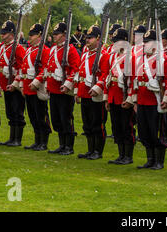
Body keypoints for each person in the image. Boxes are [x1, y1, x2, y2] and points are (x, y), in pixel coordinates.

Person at [131, 29, 167, 170]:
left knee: (157, 132)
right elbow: (135, 80)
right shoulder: (140, 59)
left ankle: (159, 161)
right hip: (143, 100)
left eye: (148, 42)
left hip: (156, 100)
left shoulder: (163, 59)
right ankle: (150, 159)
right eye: (144, 42)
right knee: (144, 131)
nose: (145, 45)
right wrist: (135, 100)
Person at [0, 20, 27, 147]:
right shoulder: (1, 48)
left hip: (15, 86)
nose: (2, 35)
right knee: (10, 113)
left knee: (17, 112)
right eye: (2, 33)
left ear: (11, 34)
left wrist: (15, 84)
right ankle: (11, 138)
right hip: (5, 85)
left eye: (4, 33)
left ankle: (17, 139)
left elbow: (22, 68)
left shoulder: (18, 48)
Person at [75, 24, 110, 160]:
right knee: (87, 124)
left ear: (98, 38)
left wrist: (97, 88)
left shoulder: (103, 55)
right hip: (84, 92)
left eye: (90, 38)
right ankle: (90, 150)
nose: (87, 40)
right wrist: (77, 91)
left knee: (97, 123)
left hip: (96, 94)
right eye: (86, 38)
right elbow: (80, 73)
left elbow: (105, 74)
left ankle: (98, 151)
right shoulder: (86, 54)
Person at [46, 21, 80, 156]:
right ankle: (61, 144)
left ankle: (68, 146)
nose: (55, 36)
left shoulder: (71, 50)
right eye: (54, 34)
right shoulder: (54, 49)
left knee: (66, 118)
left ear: (64, 35)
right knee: (56, 119)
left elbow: (75, 68)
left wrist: (67, 85)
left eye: (57, 34)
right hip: (54, 89)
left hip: (64, 90)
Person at [106, 28, 136, 164]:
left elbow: (133, 80)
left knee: (126, 126)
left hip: (124, 97)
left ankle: (128, 156)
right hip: (113, 95)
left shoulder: (131, 57)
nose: (114, 44)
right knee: (116, 126)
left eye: (117, 42)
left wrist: (130, 98)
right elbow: (109, 78)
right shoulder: (113, 56)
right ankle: (121, 154)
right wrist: (107, 98)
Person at [21, 23, 52, 151]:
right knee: (33, 117)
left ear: (40, 35)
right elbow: (24, 69)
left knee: (41, 116)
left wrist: (36, 82)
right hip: (28, 88)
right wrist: (22, 85)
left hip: (37, 88)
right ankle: (37, 140)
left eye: (33, 35)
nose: (30, 37)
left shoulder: (44, 50)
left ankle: (43, 142)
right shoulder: (29, 50)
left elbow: (45, 69)